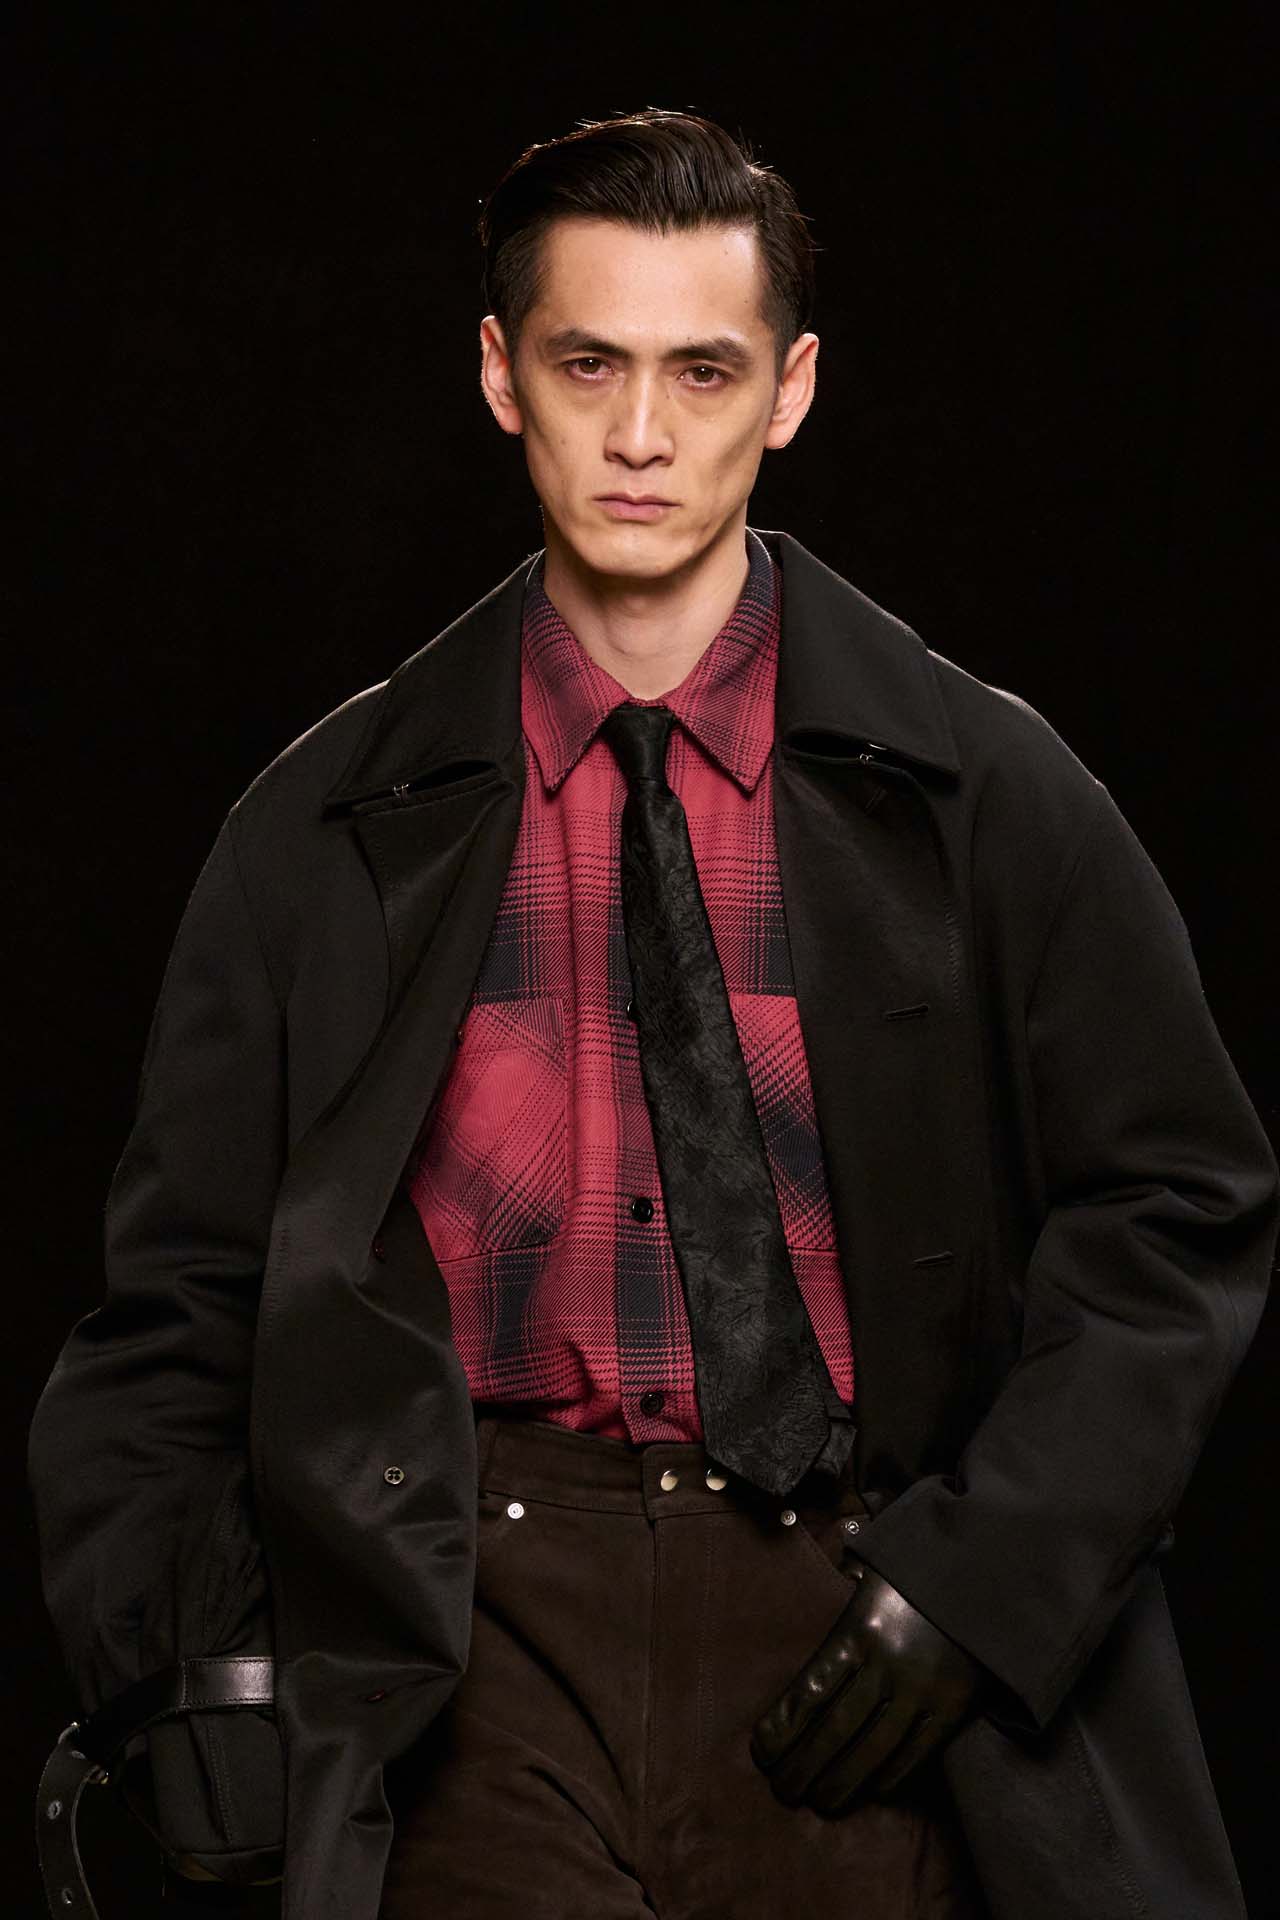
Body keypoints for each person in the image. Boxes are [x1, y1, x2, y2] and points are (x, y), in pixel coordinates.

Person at [28, 107, 1278, 1920]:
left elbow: (1179, 1209)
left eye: (703, 371)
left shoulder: (989, 798)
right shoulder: (318, 834)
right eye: (588, 363)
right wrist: (192, 1670)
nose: (640, 435)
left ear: (791, 390)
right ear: (499, 375)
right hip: (468, 1638)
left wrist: (986, 1586)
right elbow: (178, 1305)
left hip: (864, 1618)